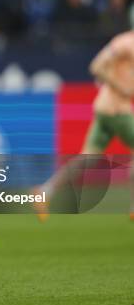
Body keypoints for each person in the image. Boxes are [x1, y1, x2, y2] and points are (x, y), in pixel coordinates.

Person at [33, 30, 134, 221]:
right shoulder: (126, 43)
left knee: (87, 158)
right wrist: (122, 88)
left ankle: (46, 190)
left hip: (105, 108)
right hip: (118, 109)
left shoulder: (124, 42)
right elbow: (97, 66)